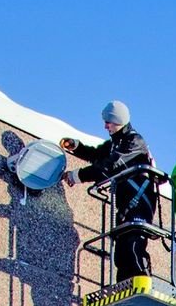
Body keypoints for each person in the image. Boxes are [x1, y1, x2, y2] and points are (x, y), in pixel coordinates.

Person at [60, 101, 157, 282]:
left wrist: (78, 175)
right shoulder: (115, 143)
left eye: (109, 122)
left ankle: (142, 282)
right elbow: (97, 155)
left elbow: (110, 166)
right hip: (126, 203)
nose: (105, 126)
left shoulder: (134, 142)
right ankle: (125, 287)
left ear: (119, 120)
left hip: (140, 201)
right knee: (120, 249)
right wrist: (77, 147)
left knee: (133, 243)